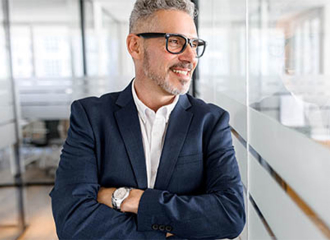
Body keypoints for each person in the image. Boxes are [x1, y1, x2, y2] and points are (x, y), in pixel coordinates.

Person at [50, 0, 245, 239]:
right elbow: (73, 221)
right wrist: (173, 229)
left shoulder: (211, 122)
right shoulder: (91, 117)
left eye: (194, 44)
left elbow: (230, 215)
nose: (190, 57)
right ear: (135, 46)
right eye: (175, 42)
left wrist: (131, 200)